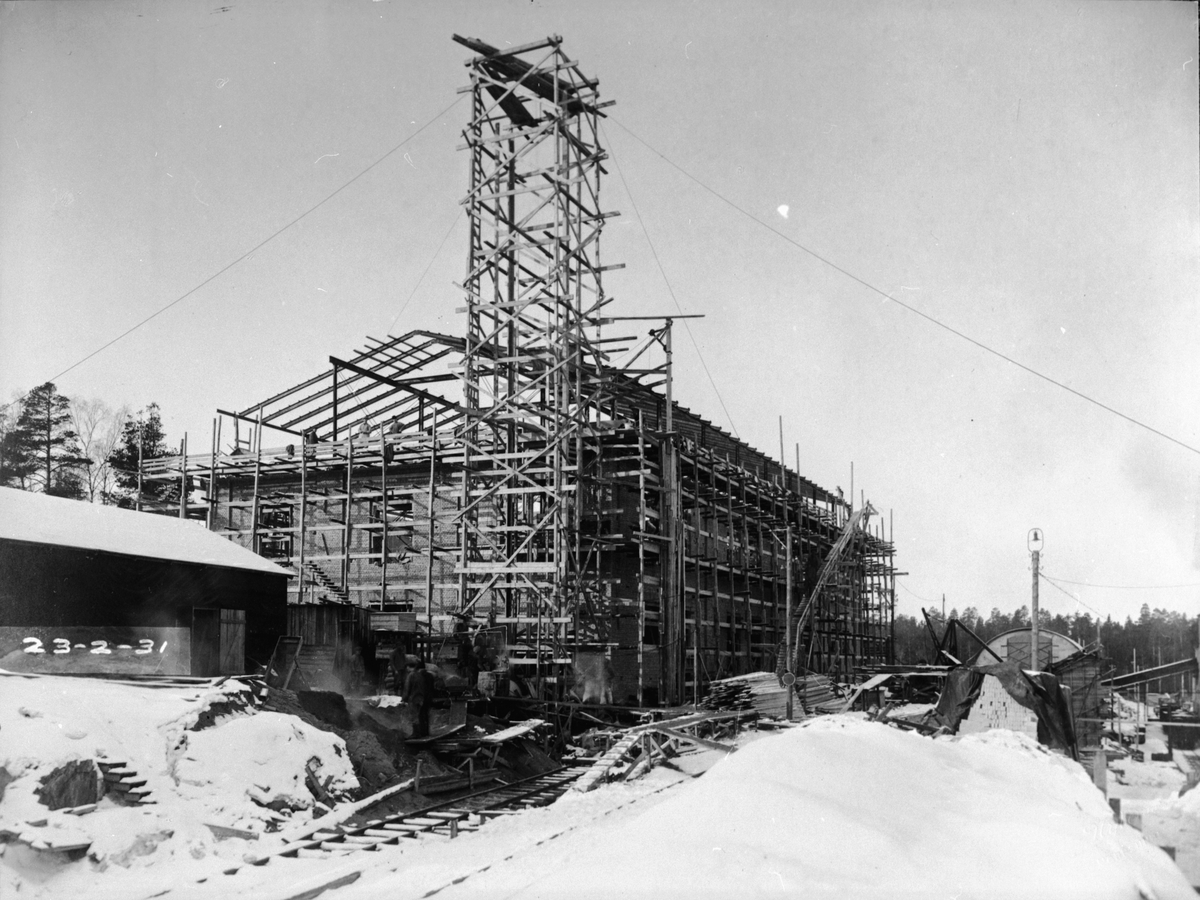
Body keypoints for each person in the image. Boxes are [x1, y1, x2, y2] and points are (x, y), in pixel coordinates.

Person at [404, 659, 431, 738]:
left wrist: (404, 698)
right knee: (419, 715)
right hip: (420, 698)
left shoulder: (411, 675)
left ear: (408, 667)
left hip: (413, 698)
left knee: (414, 716)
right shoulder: (420, 675)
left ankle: (416, 733)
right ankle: (422, 732)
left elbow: (407, 688)